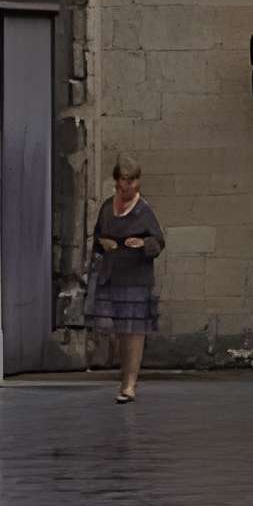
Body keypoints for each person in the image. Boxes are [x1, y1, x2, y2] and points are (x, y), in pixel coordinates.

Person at [91, 156, 165, 401]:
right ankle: (124, 376)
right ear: (116, 182)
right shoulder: (106, 208)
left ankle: (129, 384)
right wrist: (104, 243)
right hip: (113, 274)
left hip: (136, 276)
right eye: (124, 181)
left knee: (134, 331)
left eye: (132, 182)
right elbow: (97, 238)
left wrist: (143, 243)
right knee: (120, 330)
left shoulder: (144, 210)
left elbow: (159, 241)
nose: (128, 187)